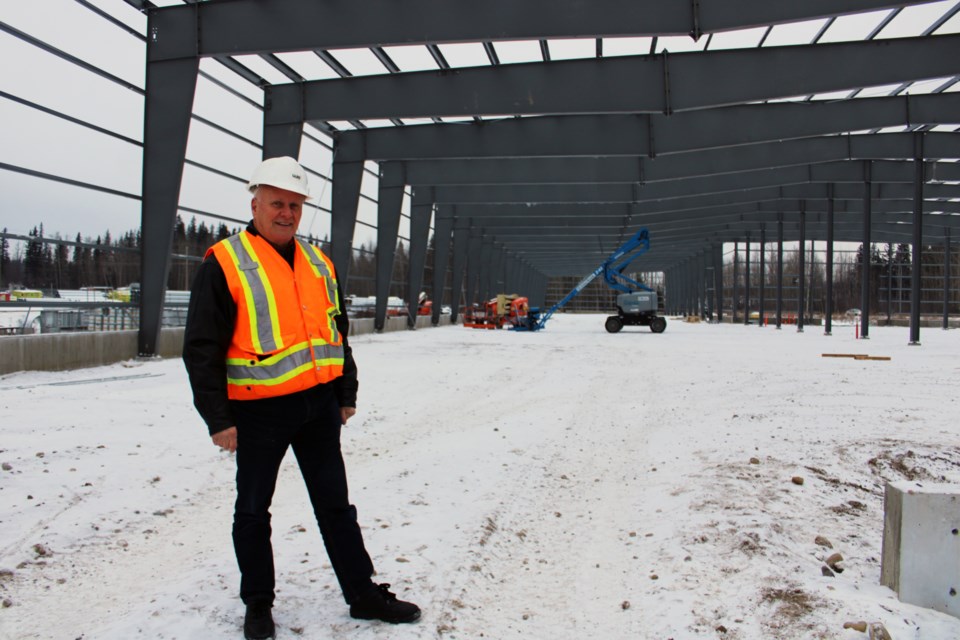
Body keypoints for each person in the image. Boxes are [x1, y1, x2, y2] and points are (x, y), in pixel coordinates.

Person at [183, 156, 420, 640]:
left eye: (294, 204)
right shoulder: (224, 262)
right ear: (255, 204)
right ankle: (258, 606)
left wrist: (345, 391)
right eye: (276, 203)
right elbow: (201, 347)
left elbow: (336, 331)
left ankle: (363, 594)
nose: (286, 213)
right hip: (257, 411)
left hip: (317, 406)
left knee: (336, 506)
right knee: (253, 510)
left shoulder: (318, 262)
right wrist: (217, 418)